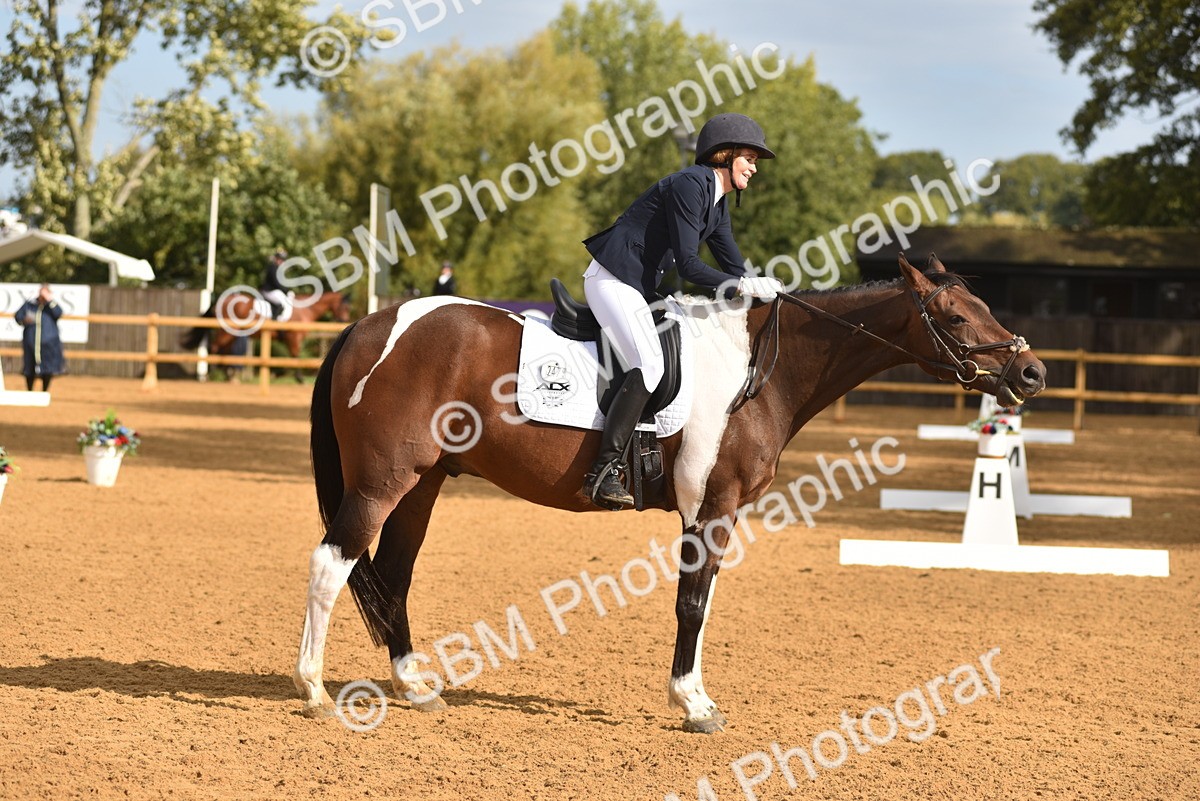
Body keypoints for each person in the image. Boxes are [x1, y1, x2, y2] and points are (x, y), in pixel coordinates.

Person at [579, 112, 784, 510]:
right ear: (724, 156)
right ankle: (602, 472)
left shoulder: (717, 202)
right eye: (749, 159)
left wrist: (769, 293)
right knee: (651, 364)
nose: (755, 168)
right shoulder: (692, 185)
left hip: (638, 288)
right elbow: (690, 266)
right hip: (611, 280)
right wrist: (743, 286)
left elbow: (733, 266)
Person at [15, 284, 64, 392]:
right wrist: (23, 320)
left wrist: (49, 300)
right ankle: (29, 391)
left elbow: (59, 313)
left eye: (45, 293)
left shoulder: (51, 306)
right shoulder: (30, 304)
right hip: (30, 342)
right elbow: (18, 316)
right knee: (29, 368)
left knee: (47, 368)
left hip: (48, 343)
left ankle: (44, 391)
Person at [261, 246, 290, 319]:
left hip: (273, 291)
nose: (281, 261)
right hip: (268, 291)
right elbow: (276, 283)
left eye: (282, 259)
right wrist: (285, 290)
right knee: (279, 303)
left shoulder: (278, 269)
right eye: (279, 259)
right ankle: (274, 322)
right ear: (276, 258)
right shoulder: (273, 268)